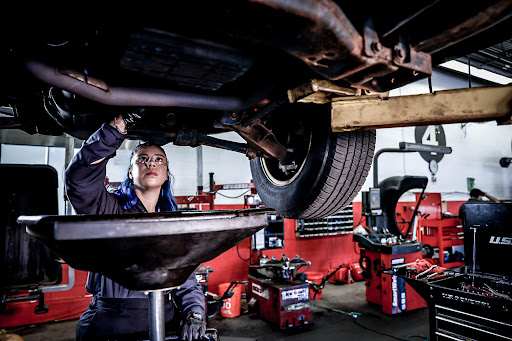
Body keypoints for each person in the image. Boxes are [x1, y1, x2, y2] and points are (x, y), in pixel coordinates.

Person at [65, 115, 206, 341]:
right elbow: (79, 180)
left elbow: (186, 277)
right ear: (130, 172)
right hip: (112, 322)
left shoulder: (173, 221)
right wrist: (111, 133)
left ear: (166, 174)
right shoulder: (108, 209)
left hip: (167, 320)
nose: (151, 163)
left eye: (159, 159)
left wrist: (195, 314)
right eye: (142, 159)